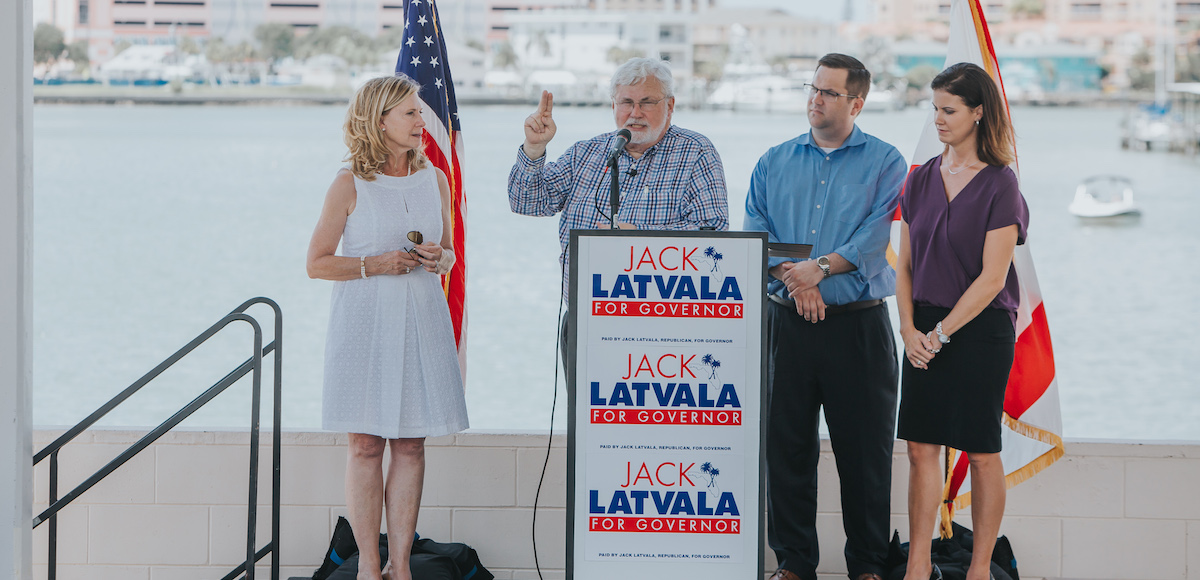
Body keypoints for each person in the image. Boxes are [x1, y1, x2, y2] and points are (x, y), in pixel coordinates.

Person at [743, 53, 906, 580]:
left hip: (857, 327)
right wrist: (797, 280)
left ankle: (867, 566)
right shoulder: (774, 159)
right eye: (813, 89)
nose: (815, 99)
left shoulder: (886, 162)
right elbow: (755, 231)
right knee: (786, 449)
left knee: (865, 454)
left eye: (829, 92)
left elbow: (878, 235)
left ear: (856, 103)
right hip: (786, 326)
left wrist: (817, 269)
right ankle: (793, 564)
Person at [307, 75, 469, 580]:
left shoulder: (435, 180)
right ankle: (369, 566)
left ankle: (402, 567)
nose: (422, 122)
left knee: (412, 444)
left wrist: (438, 256)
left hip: (421, 321)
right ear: (379, 121)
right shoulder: (349, 182)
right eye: (411, 114)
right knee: (366, 445)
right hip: (364, 326)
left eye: (420, 113)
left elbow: (448, 255)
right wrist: (375, 265)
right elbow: (316, 263)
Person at [896, 62, 1028, 580]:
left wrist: (939, 334)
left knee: (980, 451)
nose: (939, 120)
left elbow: (993, 278)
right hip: (923, 327)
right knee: (921, 449)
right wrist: (908, 330)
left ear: (978, 113)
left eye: (949, 110)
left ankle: (977, 570)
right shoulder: (921, 178)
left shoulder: (1001, 184)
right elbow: (903, 265)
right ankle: (917, 566)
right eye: (934, 109)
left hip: (980, 330)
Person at [507, 56, 729, 301]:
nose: (636, 113)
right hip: (586, 315)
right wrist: (534, 149)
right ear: (613, 106)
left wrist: (638, 237)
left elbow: (713, 233)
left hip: (663, 316)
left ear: (670, 106)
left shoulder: (696, 152)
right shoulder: (586, 153)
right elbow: (526, 203)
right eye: (627, 102)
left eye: (647, 102)